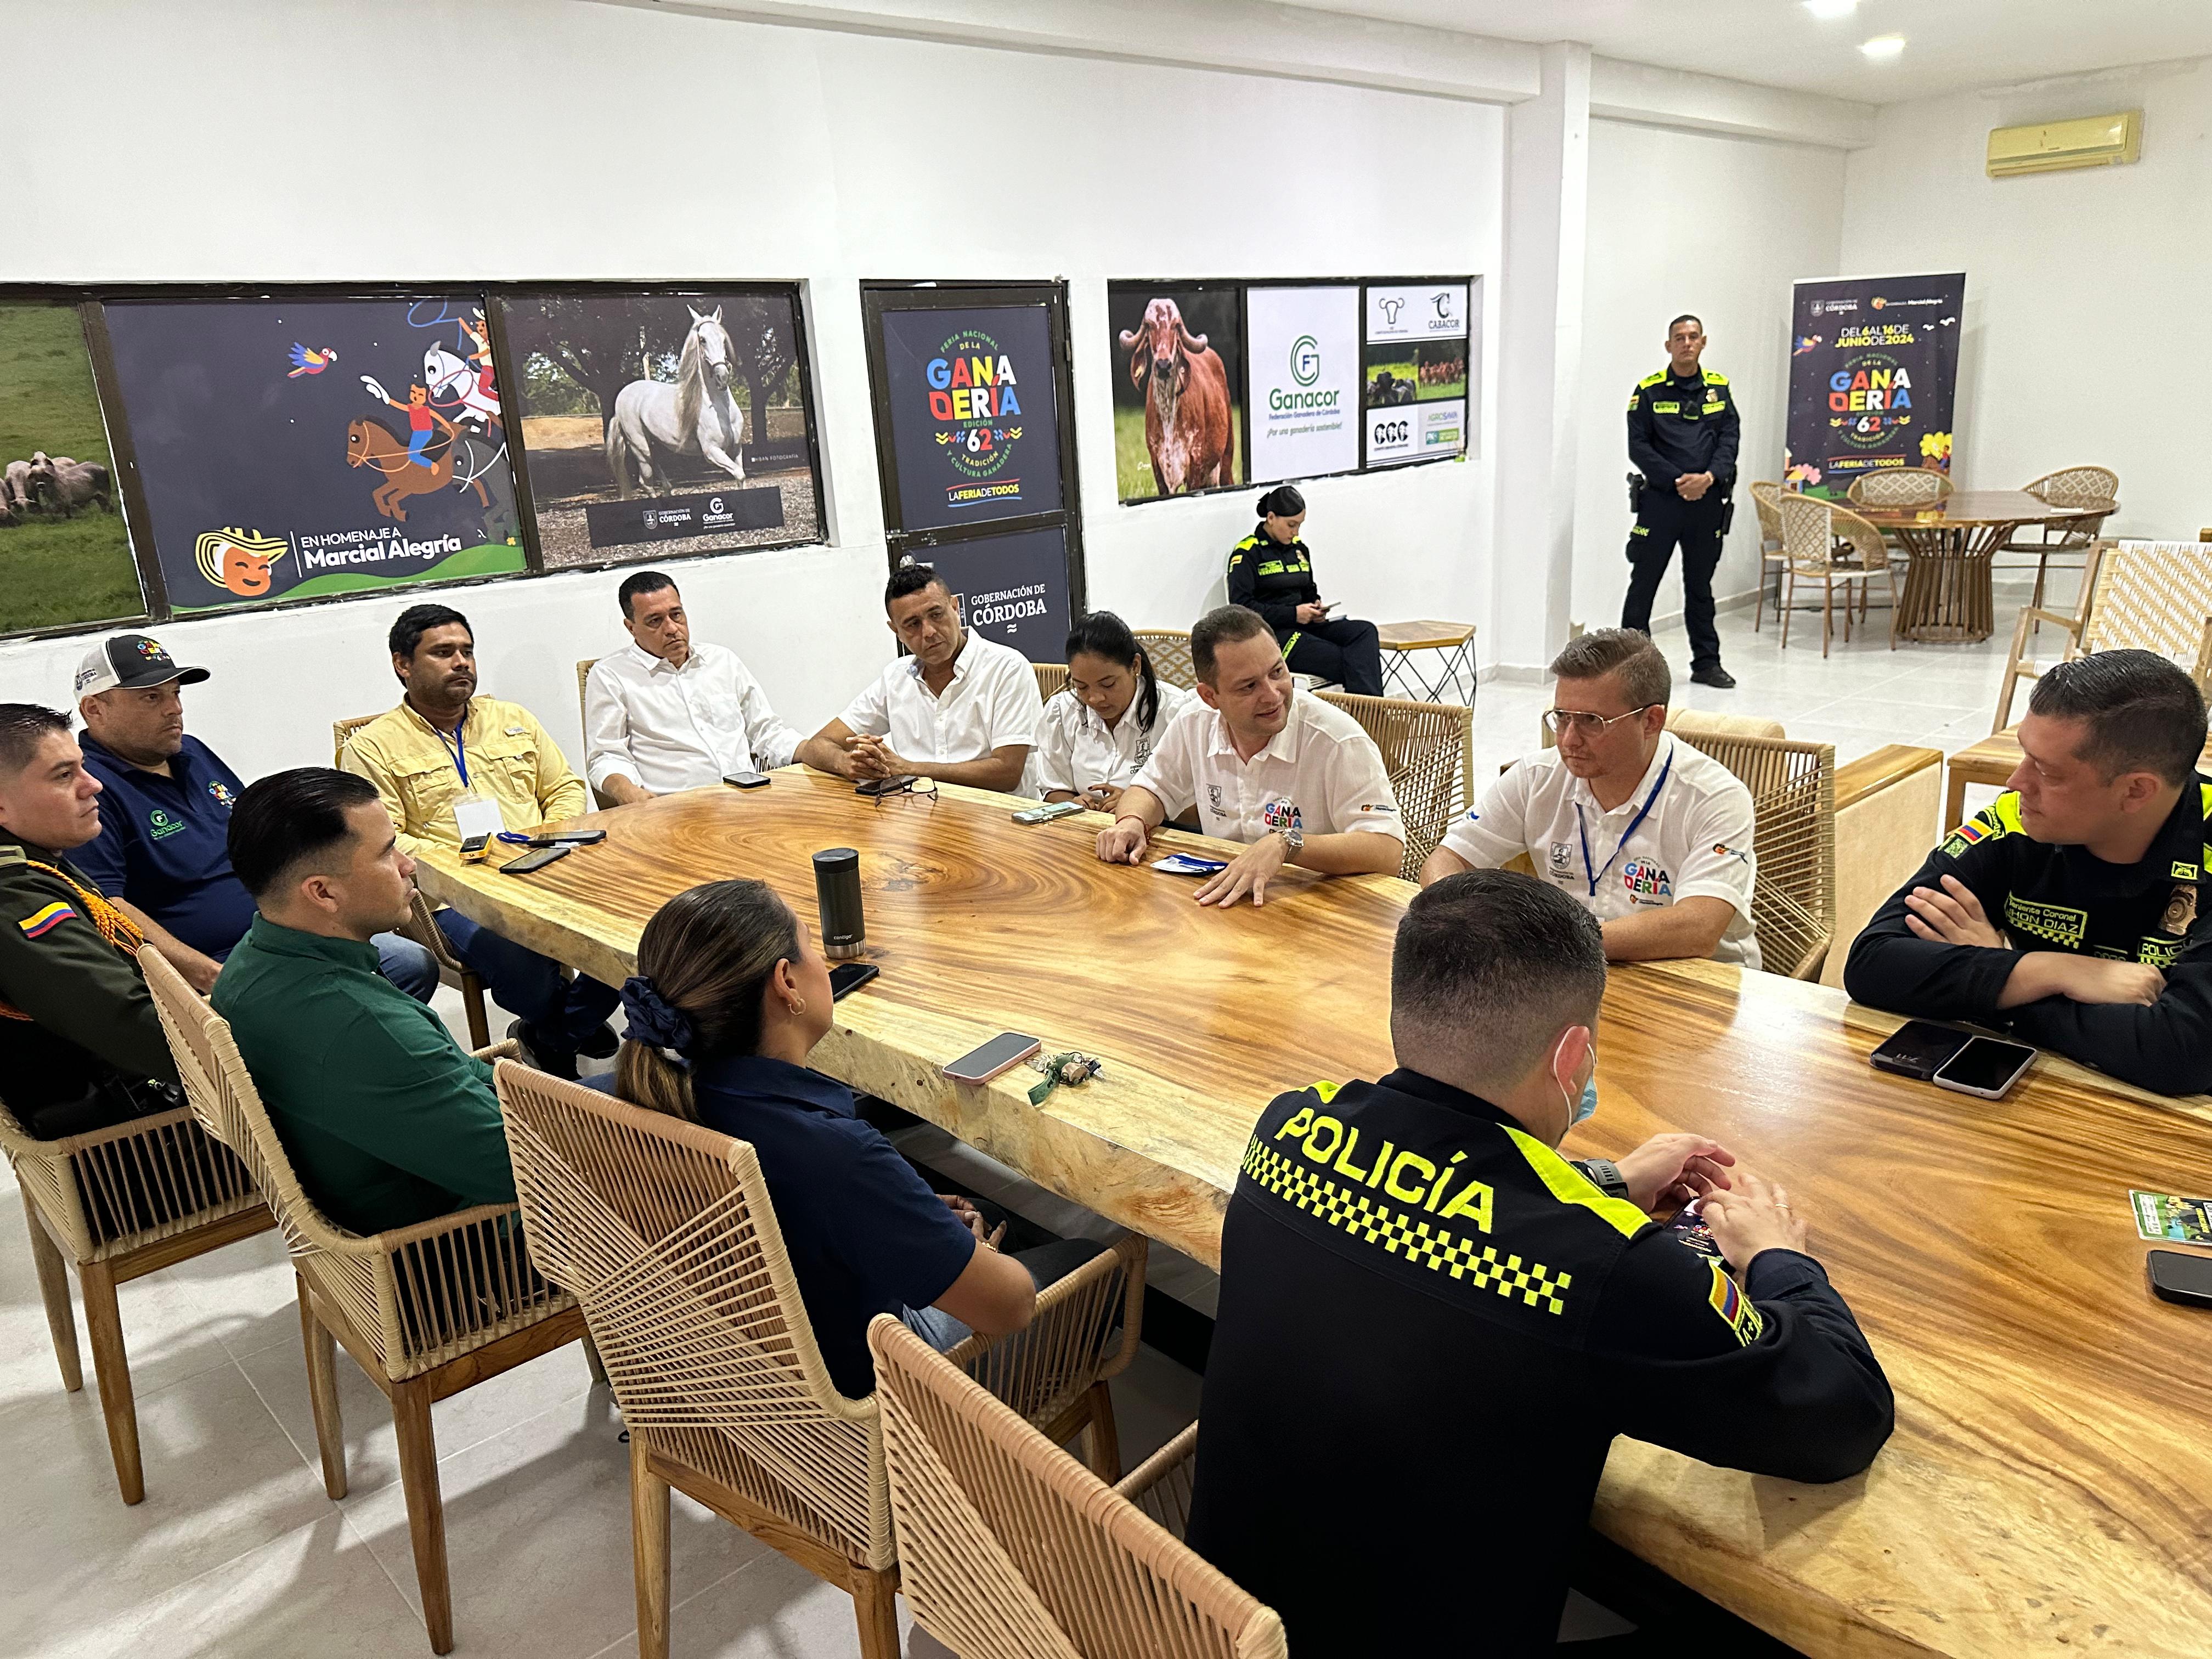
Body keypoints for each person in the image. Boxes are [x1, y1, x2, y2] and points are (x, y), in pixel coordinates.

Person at [1184, 871, 1894, 1655]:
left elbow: (1435, 1205)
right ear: (1573, 1058)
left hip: (1225, 1627)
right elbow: (1840, 1416)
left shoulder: (1285, 1130)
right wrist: (1777, 1256)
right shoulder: (1610, 1271)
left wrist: (1608, 1183)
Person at [613, 878, 1108, 1398]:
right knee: (1093, 1261)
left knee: (987, 1209)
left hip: (727, 1391)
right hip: (868, 1415)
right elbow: (1011, 1308)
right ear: (787, 983)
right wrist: (967, 1249)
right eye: (809, 942)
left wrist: (896, 1210)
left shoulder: (652, 1099)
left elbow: (803, 1213)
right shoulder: (833, 1156)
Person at [1846, 650, 2212, 1096]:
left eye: (2046, 771)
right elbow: (1872, 965)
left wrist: (1998, 986)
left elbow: (2181, 1054)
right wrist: (2049, 970)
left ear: (2136, 790)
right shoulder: (2014, 822)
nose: (2015, 782)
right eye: (2025, 754)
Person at [213, 769, 517, 1237]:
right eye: (386, 852)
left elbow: (452, 1075)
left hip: (392, 1184)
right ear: (323, 892)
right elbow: (526, 1173)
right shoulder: (361, 1025)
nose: (407, 865)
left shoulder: (251, 960)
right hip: (468, 1248)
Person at [71, 631, 437, 1000]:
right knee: (391, 977)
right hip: (222, 963)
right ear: (94, 709)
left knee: (409, 964)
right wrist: (210, 975)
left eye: (175, 694)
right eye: (151, 698)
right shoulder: (90, 788)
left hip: (289, 933)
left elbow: (267, 836)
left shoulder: (192, 753)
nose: (174, 709)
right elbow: (108, 908)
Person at [341, 603, 620, 1077]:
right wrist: (468, 864)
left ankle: (552, 1031)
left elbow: (565, 788)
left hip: (546, 871)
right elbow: (384, 841)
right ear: (402, 664)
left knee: (634, 927)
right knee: (520, 949)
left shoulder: (513, 718)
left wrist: (544, 842)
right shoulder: (370, 748)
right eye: (444, 652)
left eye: (467, 651)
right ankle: (564, 1024)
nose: (462, 662)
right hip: (452, 900)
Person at [1420, 628, 1760, 967]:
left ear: (1651, 721)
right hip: (1573, 973)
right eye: (1562, 717)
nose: (1569, 740)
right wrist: (1457, 918)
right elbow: (1450, 859)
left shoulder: (1715, 798)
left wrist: (1546, 943)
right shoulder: (1536, 776)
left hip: (1698, 982)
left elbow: (1698, 928)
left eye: (1590, 722)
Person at [1095, 604, 1403, 907]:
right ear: (1210, 697)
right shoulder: (1194, 721)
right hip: (1226, 903)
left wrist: (1287, 844)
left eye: (1277, 672)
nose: (1272, 695)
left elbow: (1387, 851)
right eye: (1249, 686)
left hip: (1320, 910)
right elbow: (1151, 789)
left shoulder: (1337, 739)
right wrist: (1132, 822)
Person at [0, 704, 182, 1140]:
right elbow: (143, 1031)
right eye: (64, 776)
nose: (93, 784)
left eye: (82, 768)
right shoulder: (16, 901)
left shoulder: (40, 863)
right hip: (138, 1152)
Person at [795, 563, 1040, 795]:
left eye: (936, 614)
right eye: (913, 624)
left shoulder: (1007, 668)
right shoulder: (896, 678)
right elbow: (818, 746)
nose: (929, 632)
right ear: (897, 632)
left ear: (955, 608)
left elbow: (1008, 773)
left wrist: (908, 768)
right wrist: (847, 763)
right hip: (920, 818)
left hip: (998, 820)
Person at [584, 570, 803, 803]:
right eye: (655, 621)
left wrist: (813, 751)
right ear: (631, 628)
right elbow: (605, 756)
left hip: (748, 799)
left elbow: (766, 731)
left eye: (676, 615)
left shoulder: (722, 660)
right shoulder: (611, 675)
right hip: (675, 810)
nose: (671, 629)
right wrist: (628, 792)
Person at [1622, 314, 1740, 690]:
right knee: (1644, 582)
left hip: (1706, 501)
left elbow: (1729, 439)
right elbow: (1638, 446)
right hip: (1660, 501)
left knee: (1700, 587)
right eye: (1679, 338)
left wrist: (1708, 478)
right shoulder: (1649, 390)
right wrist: (1676, 481)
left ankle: (1707, 663)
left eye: (1693, 337)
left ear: (1703, 342)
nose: (1686, 343)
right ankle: (1628, 668)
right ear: (1668, 345)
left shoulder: (1719, 389)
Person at [1224, 484, 1383, 696]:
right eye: (1291, 525)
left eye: (1299, 525)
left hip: (1307, 626)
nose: (1296, 532)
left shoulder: (1300, 549)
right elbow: (1241, 610)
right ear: (1271, 518)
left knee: (1365, 631)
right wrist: (1293, 614)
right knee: (1351, 660)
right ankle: (1372, 717)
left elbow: (1309, 591)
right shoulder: (1248, 553)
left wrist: (1316, 608)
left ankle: (1367, 715)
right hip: (1274, 635)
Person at [1032, 610, 1193, 816]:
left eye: (1108, 685)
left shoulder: (1174, 712)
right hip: (1086, 829)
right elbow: (1053, 789)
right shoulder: (1063, 711)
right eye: (1082, 686)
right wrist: (1074, 803)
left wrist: (1137, 804)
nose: (1094, 698)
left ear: (1135, 666)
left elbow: (1201, 810)